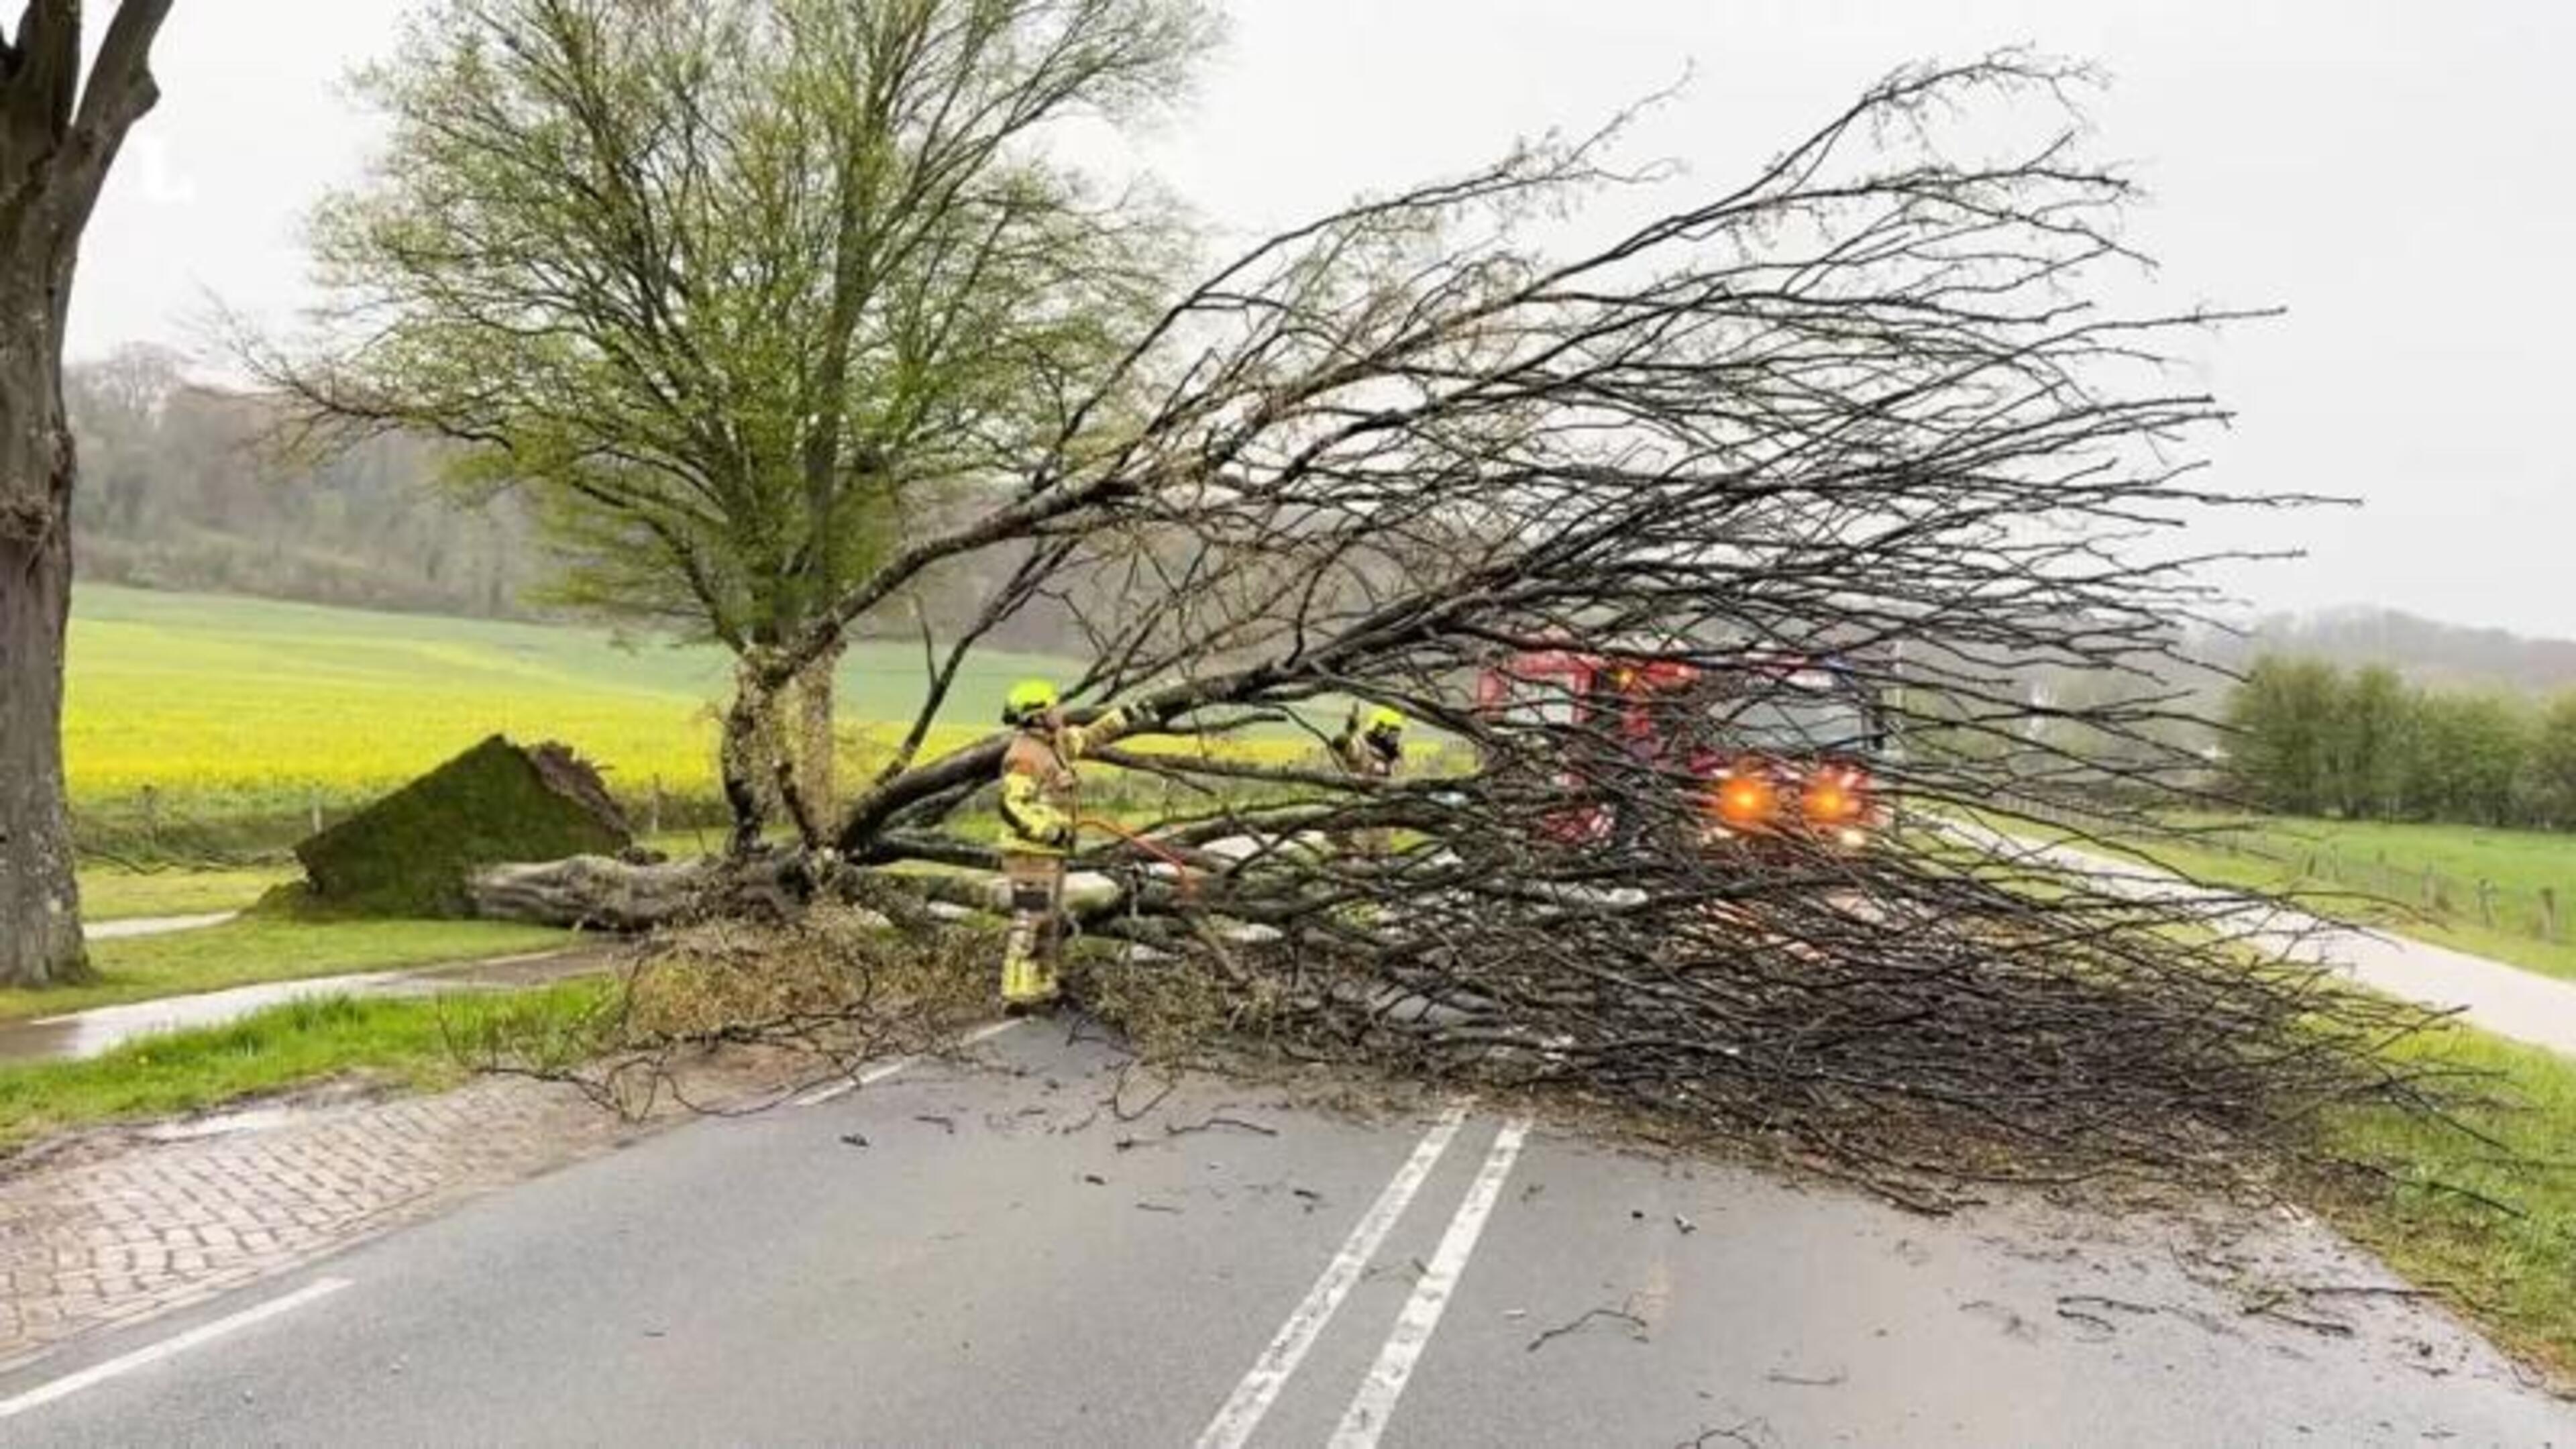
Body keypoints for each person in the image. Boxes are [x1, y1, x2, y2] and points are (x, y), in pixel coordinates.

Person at [995, 680, 1136, 1012]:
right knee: (1030, 917)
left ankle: (1043, 985)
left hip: (1051, 856)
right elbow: (1013, 806)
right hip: (1029, 855)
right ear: (1037, 717)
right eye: (1053, 708)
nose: (1060, 711)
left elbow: (1086, 738)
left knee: (1048, 919)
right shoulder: (1024, 756)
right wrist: (1049, 832)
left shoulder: (1055, 743)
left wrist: (1124, 717)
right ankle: (1016, 992)